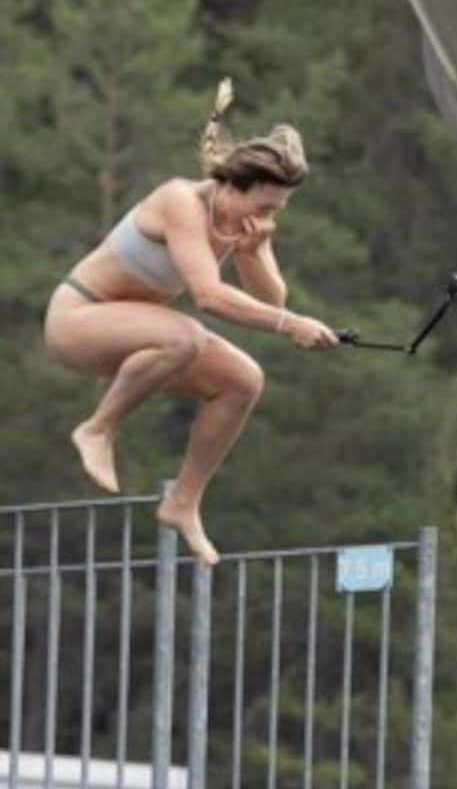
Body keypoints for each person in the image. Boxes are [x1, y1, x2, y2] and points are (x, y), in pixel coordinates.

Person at [44, 79, 339, 565]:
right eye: (263, 206)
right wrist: (291, 324)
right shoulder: (180, 201)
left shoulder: (244, 222)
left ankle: (183, 501)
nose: (268, 217)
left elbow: (271, 297)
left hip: (135, 330)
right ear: (228, 185)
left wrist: (253, 252)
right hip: (77, 319)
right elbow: (208, 298)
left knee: (244, 379)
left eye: (276, 210)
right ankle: (97, 429)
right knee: (185, 335)